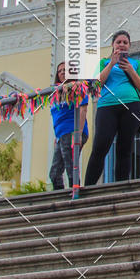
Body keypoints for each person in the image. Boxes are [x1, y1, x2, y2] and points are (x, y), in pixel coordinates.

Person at [84, 30, 140, 186]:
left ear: (129, 46)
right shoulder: (103, 63)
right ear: (112, 45)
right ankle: (89, 186)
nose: (122, 45)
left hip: (131, 105)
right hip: (107, 106)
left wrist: (130, 70)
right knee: (100, 145)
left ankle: (121, 187)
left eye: (125, 42)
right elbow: (96, 84)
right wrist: (112, 63)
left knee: (125, 148)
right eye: (119, 42)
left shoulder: (136, 64)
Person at [49, 61, 89, 190]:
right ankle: (61, 199)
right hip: (61, 135)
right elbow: (57, 117)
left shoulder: (77, 88)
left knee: (70, 167)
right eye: (60, 70)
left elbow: (83, 109)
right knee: (54, 174)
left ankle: (75, 195)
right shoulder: (55, 93)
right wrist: (57, 137)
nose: (62, 72)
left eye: (65, 70)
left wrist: (78, 133)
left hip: (73, 130)